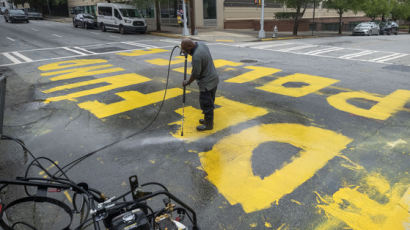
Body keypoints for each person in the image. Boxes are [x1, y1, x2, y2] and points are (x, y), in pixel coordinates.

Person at [181, 39, 219, 131]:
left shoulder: (196, 57)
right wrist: (186, 51)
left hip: (206, 83)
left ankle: (209, 125)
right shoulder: (202, 45)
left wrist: (188, 82)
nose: (186, 53)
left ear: (190, 47)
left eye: (186, 50)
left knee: (206, 104)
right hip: (214, 78)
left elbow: (196, 74)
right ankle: (207, 120)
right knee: (210, 100)